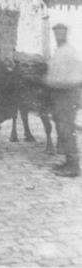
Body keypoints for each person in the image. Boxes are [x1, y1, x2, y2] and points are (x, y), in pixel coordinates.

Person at [45, 23, 82, 178]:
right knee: (62, 128)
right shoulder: (60, 51)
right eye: (56, 33)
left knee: (66, 129)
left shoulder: (68, 52)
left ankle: (73, 166)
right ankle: (68, 162)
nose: (57, 36)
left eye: (60, 33)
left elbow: (71, 77)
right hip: (61, 94)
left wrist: (48, 81)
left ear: (66, 34)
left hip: (66, 94)